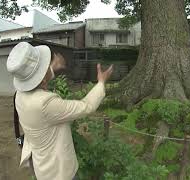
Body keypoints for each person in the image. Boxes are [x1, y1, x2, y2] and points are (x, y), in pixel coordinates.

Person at [6, 42, 113, 180]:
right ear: (42, 77)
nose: (48, 67)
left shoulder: (19, 95)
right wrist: (101, 83)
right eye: (45, 66)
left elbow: (39, 80)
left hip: (41, 165)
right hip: (59, 172)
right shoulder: (46, 103)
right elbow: (86, 106)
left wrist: (52, 68)